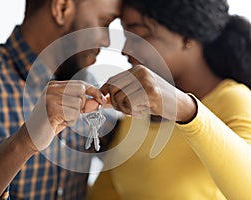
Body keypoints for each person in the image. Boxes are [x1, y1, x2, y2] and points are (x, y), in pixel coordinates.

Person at [0, 0, 121, 199]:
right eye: (104, 22)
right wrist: (23, 143)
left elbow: (126, 152)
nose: (107, 41)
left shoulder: (85, 82)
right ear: (62, 8)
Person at [89, 0, 251, 199]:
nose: (125, 50)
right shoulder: (140, 112)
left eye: (139, 33)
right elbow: (104, 193)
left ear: (186, 35)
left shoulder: (233, 99)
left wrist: (186, 110)